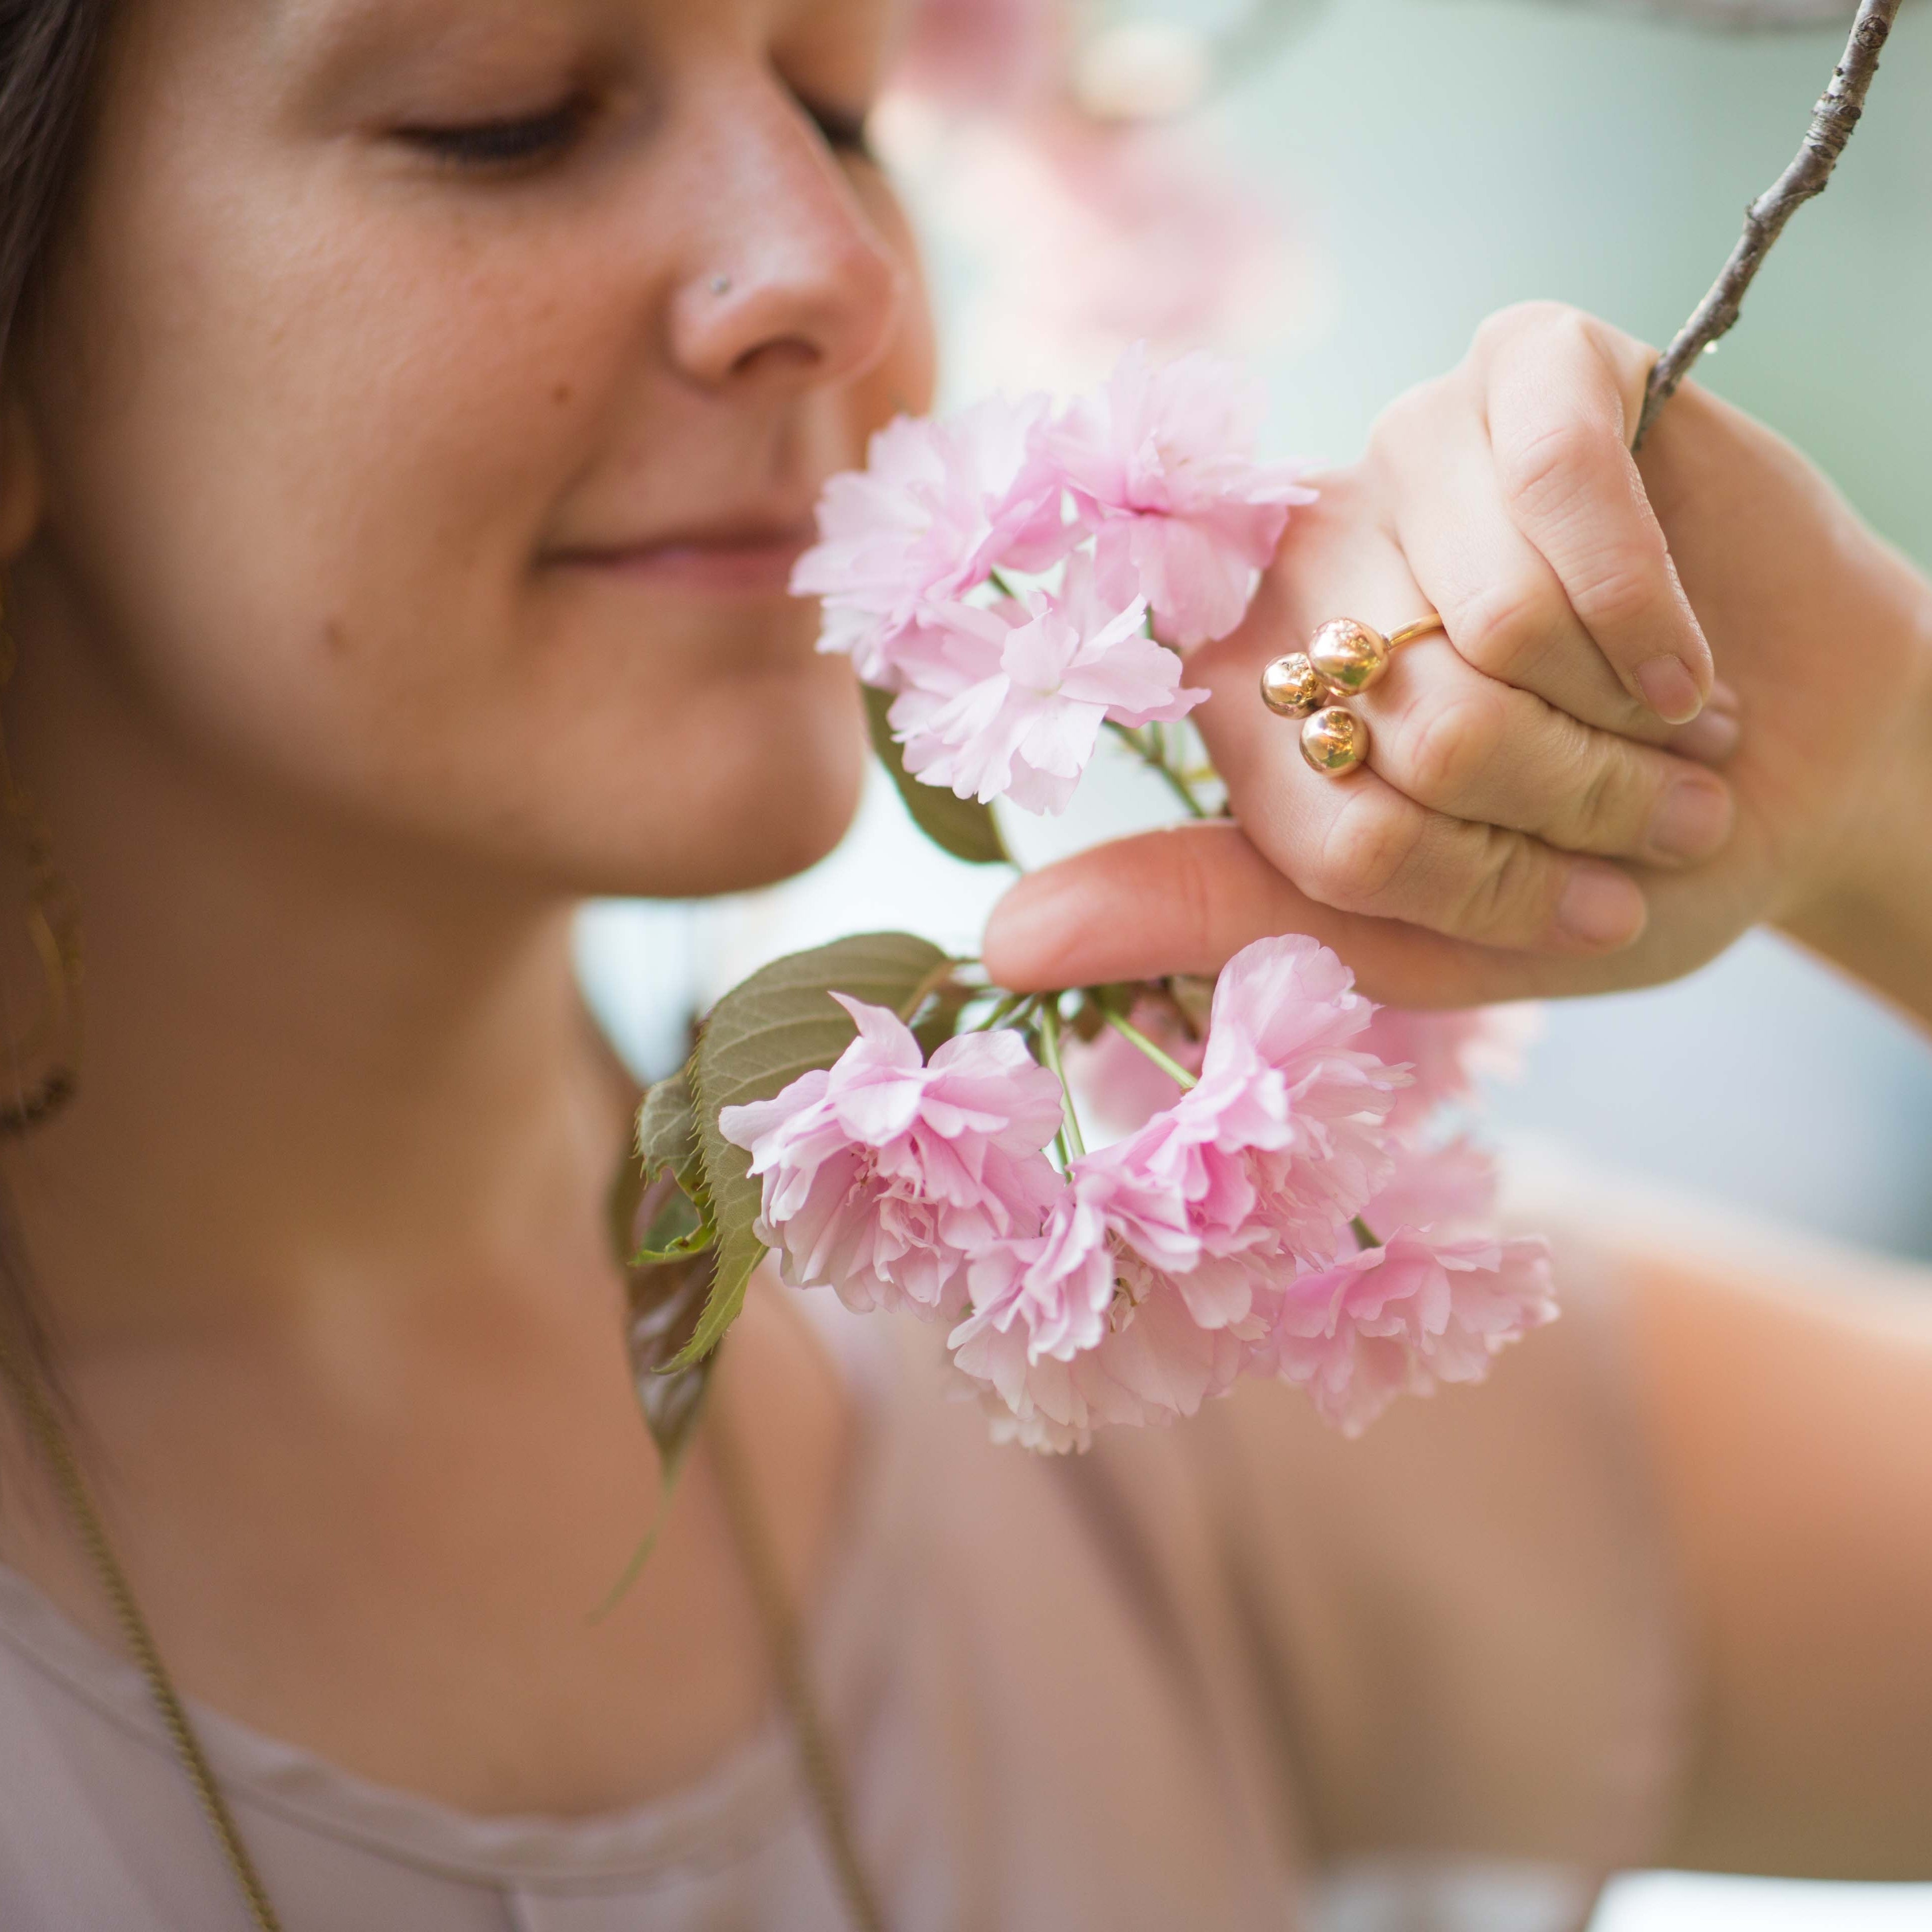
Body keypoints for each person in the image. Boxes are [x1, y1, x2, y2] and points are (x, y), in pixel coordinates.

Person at [0, 2, 1924, 1928]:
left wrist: (1880, 782)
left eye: (839, 108)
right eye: (509, 122)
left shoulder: (1132, 1365)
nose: (836, 267)